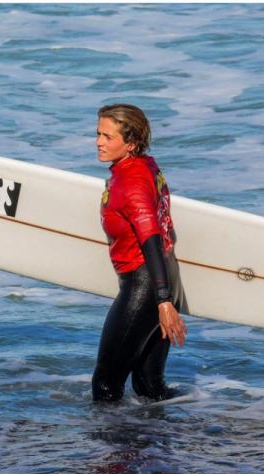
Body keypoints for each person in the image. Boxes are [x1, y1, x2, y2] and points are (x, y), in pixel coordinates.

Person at [92, 103, 187, 403]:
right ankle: (158, 447)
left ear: (130, 143)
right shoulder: (146, 166)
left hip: (144, 287)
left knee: (106, 385)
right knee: (148, 387)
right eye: (98, 134)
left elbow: (151, 240)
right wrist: (167, 294)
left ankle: (110, 451)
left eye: (108, 136)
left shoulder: (130, 182)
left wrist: (162, 302)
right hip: (164, 277)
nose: (98, 142)